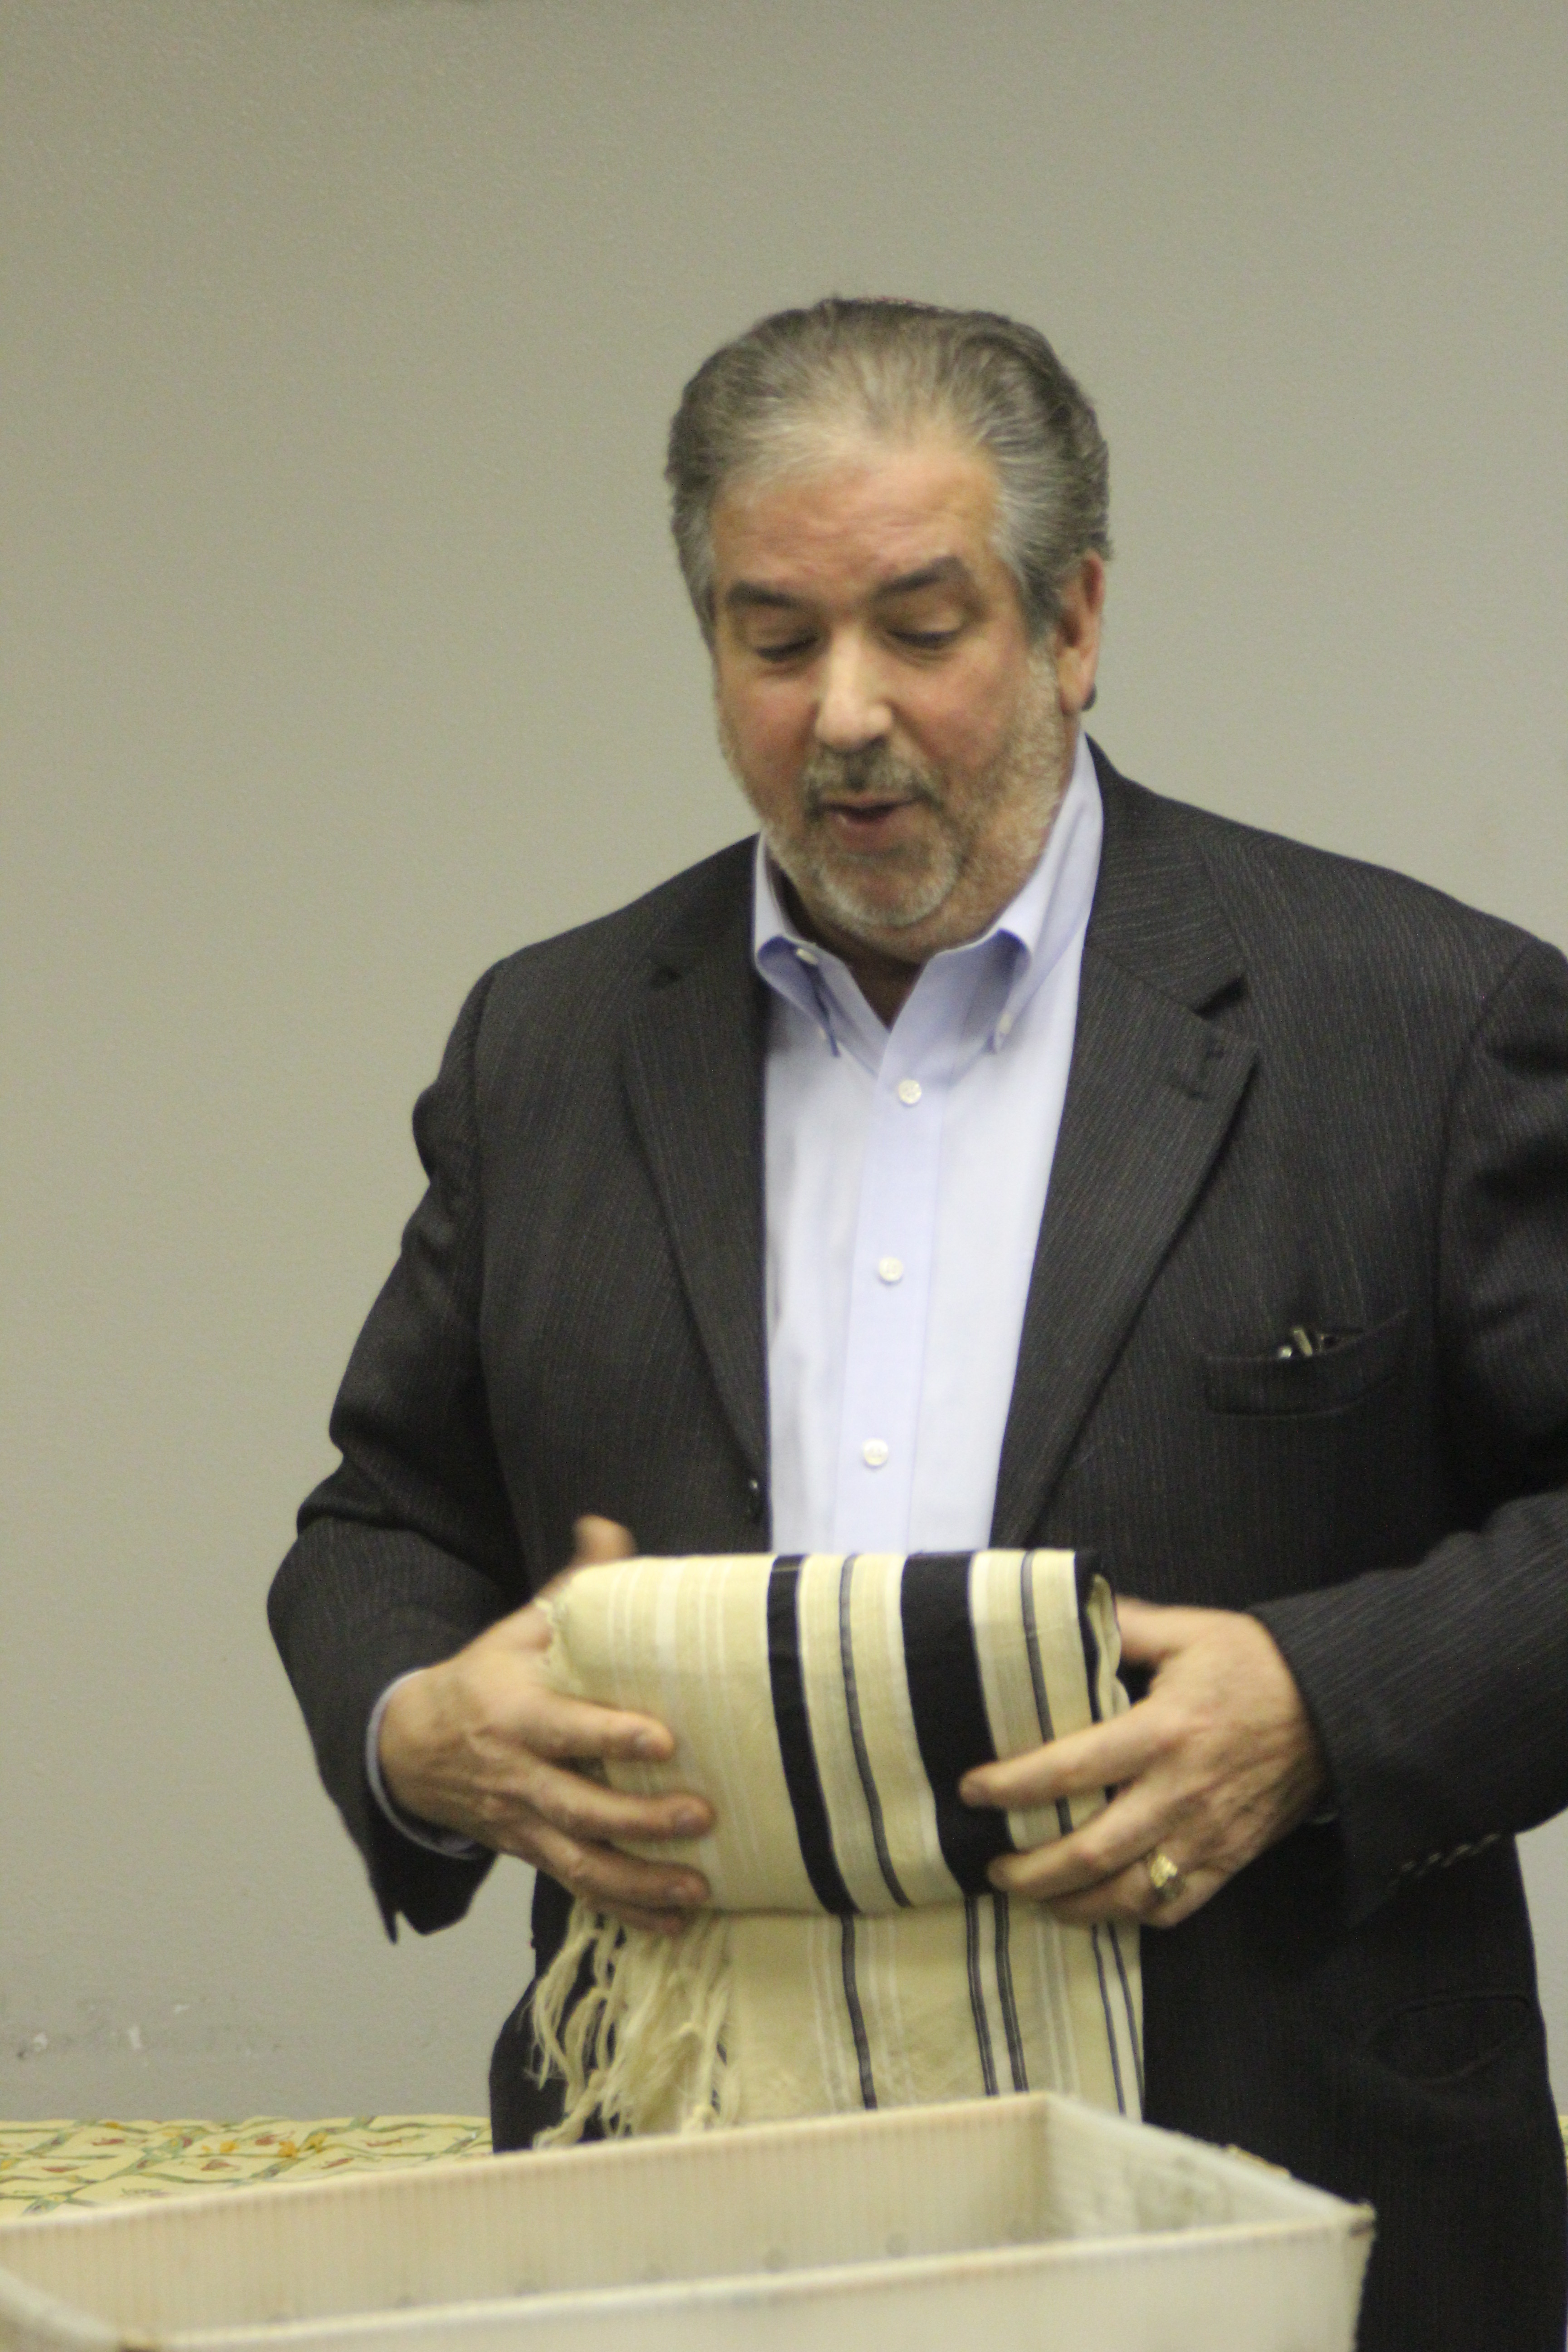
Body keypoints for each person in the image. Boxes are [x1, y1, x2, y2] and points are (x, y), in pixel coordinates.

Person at [270, 299, 1568, 2349]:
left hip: (1276, 2191)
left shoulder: (1417, 1023)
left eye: (922, 628)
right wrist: (419, 1729)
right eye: (776, 640)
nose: (844, 713)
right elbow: (383, 1519)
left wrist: (1322, 1705)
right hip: (685, 2220)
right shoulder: (553, 1043)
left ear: (1073, 624)